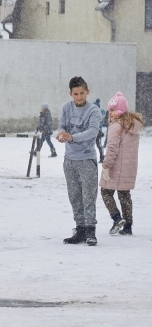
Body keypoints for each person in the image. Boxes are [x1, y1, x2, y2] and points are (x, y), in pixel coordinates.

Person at [57, 76, 101, 246]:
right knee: (74, 196)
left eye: (82, 93)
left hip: (86, 159)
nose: (79, 96)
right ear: (71, 94)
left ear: (87, 92)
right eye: (76, 94)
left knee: (88, 196)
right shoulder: (66, 108)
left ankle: (91, 230)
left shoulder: (94, 110)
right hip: (70, 159)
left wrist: (72, 137)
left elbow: (92, 131)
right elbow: (62, 126)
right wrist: (61, 134)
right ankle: (80, 228)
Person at [99, 92, 142, 236]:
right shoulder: (133, 125)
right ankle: (128, 226)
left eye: (111, 110)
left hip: (116, 167)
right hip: (130, 166)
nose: (109, 113)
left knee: (105, 192)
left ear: (119, 111)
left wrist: (106, 165)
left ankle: (117, 218)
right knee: (125, 195)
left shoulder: (116, 126)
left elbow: (112, 148)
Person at [94, 98, 106, 163]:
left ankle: (102, 157)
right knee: (99, 145)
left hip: (97, 132)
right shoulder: (100, 113)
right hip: (96, 132)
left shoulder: (98, 114)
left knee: (99, 145)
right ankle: (101, 157)